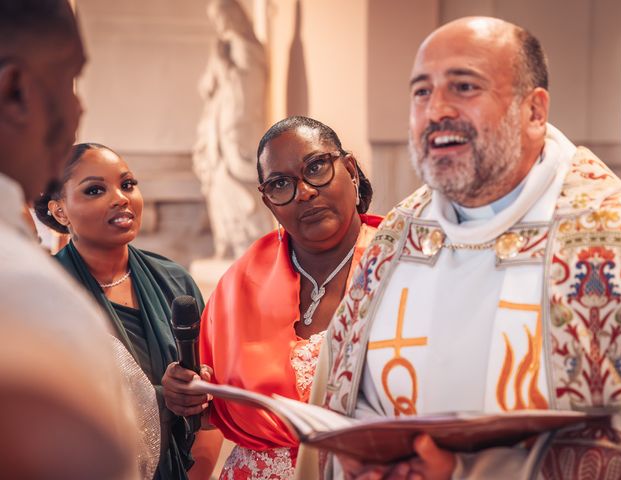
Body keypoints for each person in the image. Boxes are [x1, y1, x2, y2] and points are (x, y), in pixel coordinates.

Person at [308, 17, 621, 480]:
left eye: (464, 86)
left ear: (534, 111)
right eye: (421, 91)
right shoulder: (394, 239)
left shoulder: (618, 243)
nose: (436, 109)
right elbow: (347, 390)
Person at [162, 116, 382, 479]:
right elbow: (211, 413)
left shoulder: (396, 265)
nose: (306, 192)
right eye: (281, 184)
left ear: (350, 169)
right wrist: (186, 392)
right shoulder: (241, 284)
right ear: (268, 201)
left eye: (316, 168)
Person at [0, 1, 139, 478]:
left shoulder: (166, 277)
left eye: (128, 183)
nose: (78, 107)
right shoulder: (26, 291)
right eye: (67, 80)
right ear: (15, 91)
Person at [34, 142, 221, 480]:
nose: (121, 197)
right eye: (94, 190)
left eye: (128, 184)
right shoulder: (46, 293)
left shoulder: (175, 282)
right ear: (60, 211)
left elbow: (210, 410)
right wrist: (164, 400)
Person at [193, 0, 273, 259]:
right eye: (216, 18)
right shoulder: (223, 47)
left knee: (238, 187)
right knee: (219, 188)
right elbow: (208, 87)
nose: (220, 23)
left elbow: (247, 86)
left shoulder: (245, 46)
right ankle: (227, 242)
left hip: (234, 132)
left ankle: (249, 245)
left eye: (222, 16)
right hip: (219, 132)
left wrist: (224, 67)